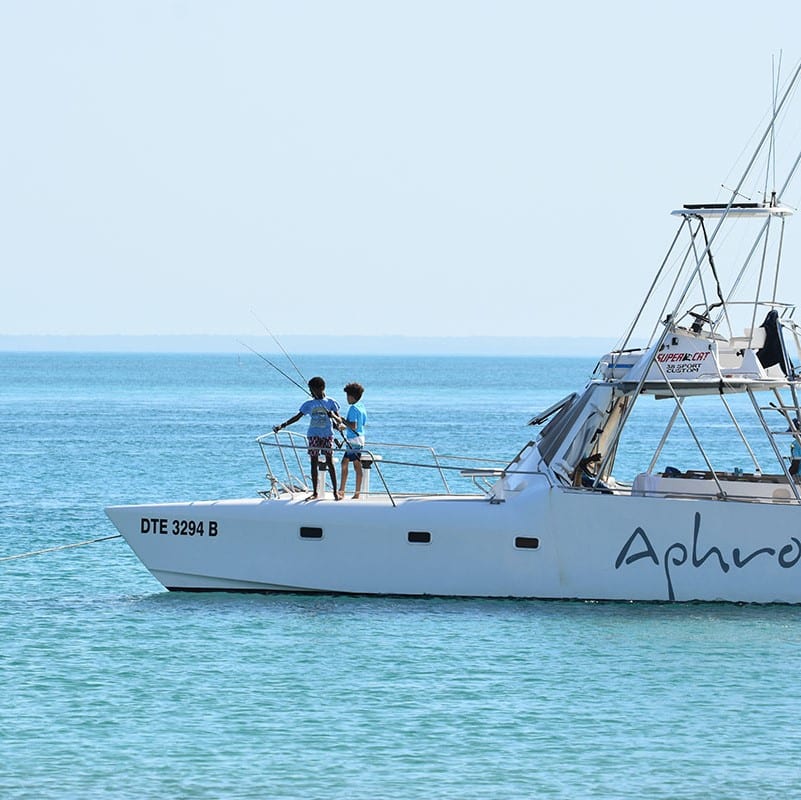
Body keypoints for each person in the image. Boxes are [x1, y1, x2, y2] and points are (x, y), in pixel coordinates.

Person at [273, 376, 340, 500]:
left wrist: (334, 418)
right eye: (309, 389)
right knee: (313, 462)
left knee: (330, 462)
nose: (310, 392)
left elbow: (339, 420)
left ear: (321, 388)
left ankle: (336, 491)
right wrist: (282, 425)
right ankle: (315, 492)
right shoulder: (308, 404)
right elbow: (297, 417)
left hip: (327, 435)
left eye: (312, 389)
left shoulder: (331, 402)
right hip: (313, 435)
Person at [336, 382, 367, 499]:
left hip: (354, 440)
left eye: (347, 396)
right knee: (344, 463)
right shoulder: (361, 407)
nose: (347, 399)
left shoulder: (353, 408)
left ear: (352, 396)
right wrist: (344, 426)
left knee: (356, 466)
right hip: (358, 438)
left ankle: (356, 493)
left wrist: (342, 420)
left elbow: (353, 425)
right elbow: (359, 425)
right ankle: (342, 490)